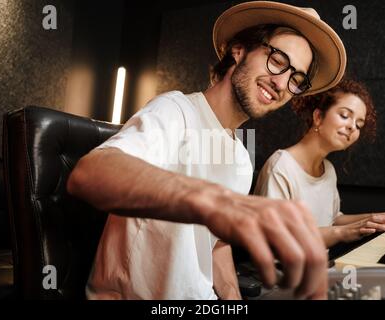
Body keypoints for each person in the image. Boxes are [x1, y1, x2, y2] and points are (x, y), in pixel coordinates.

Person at [66, 1, 347, 299]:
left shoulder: (241, 152)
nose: (281, 83)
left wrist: (232, 299)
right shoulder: (175, 109)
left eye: (296, 79)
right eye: (277, 60)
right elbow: (88, 173)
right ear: (238, 51)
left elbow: (216, 242)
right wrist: (213, 200)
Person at [254, 79, 385, 248]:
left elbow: (333, 219)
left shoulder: (328, 170)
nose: (352, 127)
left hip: (320, 265)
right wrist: (344, 232)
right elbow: (276, 239)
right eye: (345, 115)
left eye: (359, 125)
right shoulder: (281, 166)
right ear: (318, 117)